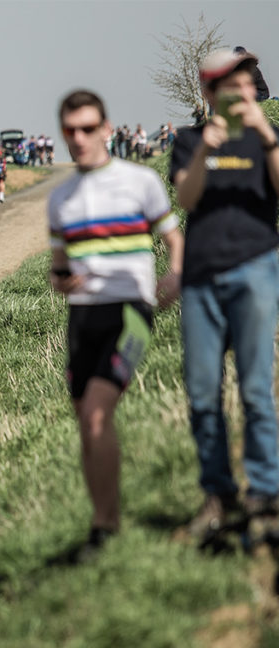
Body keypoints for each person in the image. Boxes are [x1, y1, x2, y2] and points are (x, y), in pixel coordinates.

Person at [49, 89, 184, 559]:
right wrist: (61, 281)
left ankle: (106, 530)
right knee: (85, 424)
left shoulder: (139, 181)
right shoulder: (61, 198)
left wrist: (175, 275)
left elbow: (172, 237)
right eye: (71, 130)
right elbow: (57, 267)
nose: (80, 137)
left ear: (107, 129)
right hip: (81, 314)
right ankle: (102, 520)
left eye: (89, 128)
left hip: (130, 310)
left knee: (98, 413)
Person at [170, 48, 279, 538]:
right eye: (227, 85)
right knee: (202, 393)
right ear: (210, 93)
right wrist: (208, 147)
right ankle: (217, 495)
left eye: (244, 82)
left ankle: (265, 494)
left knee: (256, 388)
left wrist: (267, 138)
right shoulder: (189, 140)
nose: (238, 91)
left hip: (256, 269)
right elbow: (186, 198)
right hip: (201, 277)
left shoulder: (267, 139)